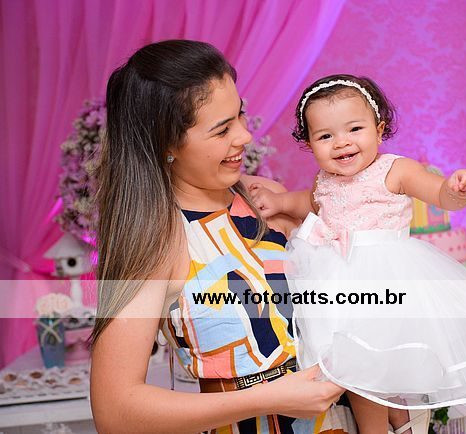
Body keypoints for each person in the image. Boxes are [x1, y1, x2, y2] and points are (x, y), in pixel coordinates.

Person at [89, 41, 358, 434]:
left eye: (240, 115)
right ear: (166, 143)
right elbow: (114, 412)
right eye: (222, 130)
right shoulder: (158, 241)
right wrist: (270, 397)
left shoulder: (263, 197)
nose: (245, 136)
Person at [249, 74, 466, 434]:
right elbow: (309, 202)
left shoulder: (396, 169)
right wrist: (279, 202)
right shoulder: (324, 180)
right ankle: (399, 419)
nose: (342, 142)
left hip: (385, 278)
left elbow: (438, 193)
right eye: (325, 136)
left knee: (369, 362)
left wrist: (454, 190)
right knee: (352, 367)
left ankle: (389, 422)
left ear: (379, 129)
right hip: (336, 281)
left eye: (355, 129)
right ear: (309, 143)